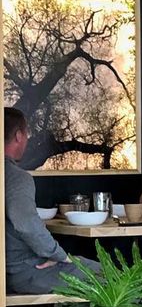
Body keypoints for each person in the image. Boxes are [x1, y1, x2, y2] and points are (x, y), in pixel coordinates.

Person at [3, 107, 99, 297]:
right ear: (19, 136)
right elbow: (27, 225)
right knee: (108, 276)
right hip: (24, 272)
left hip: (9, 271)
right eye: (27, 134)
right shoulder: (16, 178)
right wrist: (58, 255)